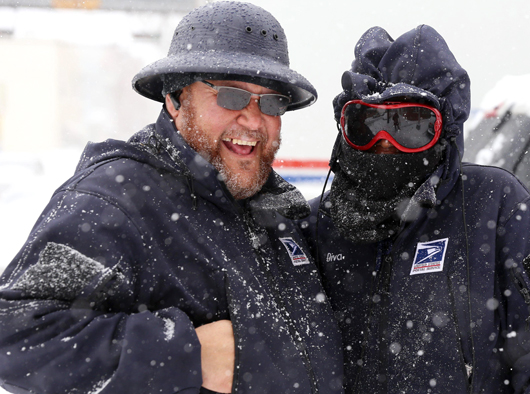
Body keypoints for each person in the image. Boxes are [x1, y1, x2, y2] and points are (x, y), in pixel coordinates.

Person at [0, 2, 343, 394]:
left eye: (271, 102)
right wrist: (187, 353)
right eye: (231, 97)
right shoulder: (117, 199)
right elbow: (16, 334)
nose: (252, 119)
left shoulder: (276, 209)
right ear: (176, 99)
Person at [301, 25, 530, 393]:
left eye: (410, 125)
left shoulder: (497, 203)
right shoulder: (313, 226)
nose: (385, 143)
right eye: (367, 124)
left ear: (444, 129)